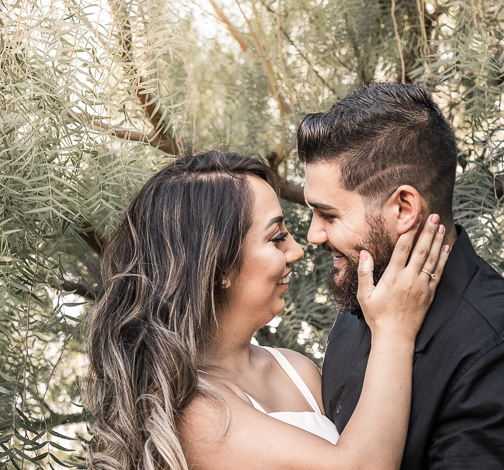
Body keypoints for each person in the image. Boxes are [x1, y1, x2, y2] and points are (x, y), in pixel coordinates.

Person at [84, 151, 449, 470]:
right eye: (276, 238)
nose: (297, 251)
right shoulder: (192, 412)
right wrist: (394, 329)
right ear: (219, 267)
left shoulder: (298, 370)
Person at [298, 82, 504, 470]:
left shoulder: (492, 345)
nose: (313, 235)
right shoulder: (358, 304)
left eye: (328, 215)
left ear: (404, 208)